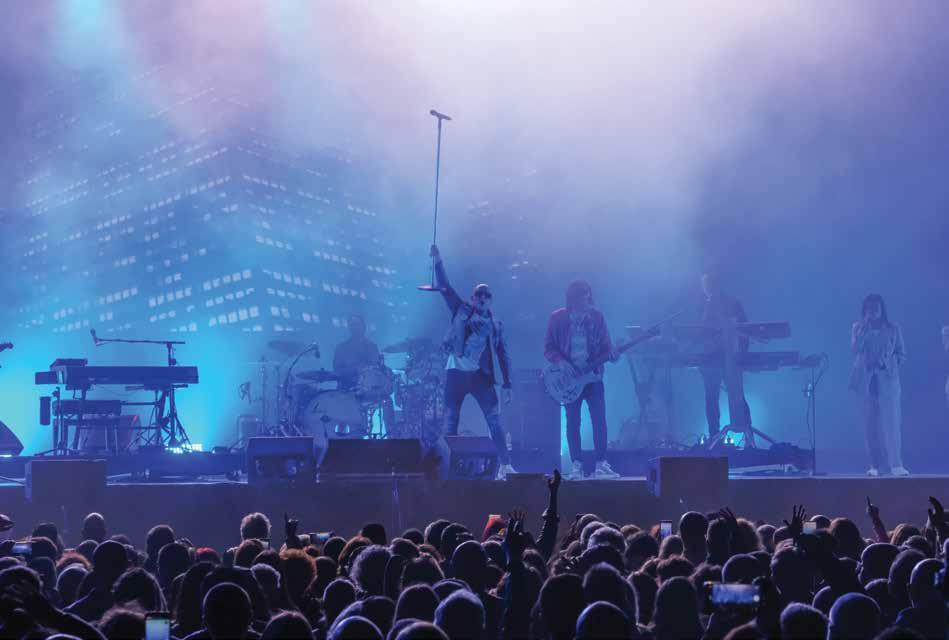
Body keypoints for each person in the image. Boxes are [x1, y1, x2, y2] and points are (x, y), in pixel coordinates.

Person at [429, 244, 515, 480]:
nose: (483, 298)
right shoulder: (461, 310)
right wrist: (438, 261)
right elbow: (445, 288)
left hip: (480, 376)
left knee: (494, 421)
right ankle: (446, 471)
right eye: (479, 294)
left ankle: (505, 465)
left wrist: (508, 383)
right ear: (473, 298)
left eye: (487, 295)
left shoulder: (495, 324)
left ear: (491, 300)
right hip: (456, 373)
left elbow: (502, 354)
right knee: (450, 421)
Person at [543, 279, 621, 479]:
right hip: (569, 380)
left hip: (593, 378)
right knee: (572, 422)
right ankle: (576, 465)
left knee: (599, 421)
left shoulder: (597, 317)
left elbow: (607, 348)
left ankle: (601, 463)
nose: (586, 300)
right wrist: (561, 362)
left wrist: (613, 355)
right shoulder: (558, 318)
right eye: (581, 297)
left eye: (587, 296)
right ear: (572, 299)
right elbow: (548, 348)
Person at [849, 294, 908, 476]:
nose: (872, 311)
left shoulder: (893, 329)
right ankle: (875, 466)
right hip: (866, 381)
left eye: (876, 308)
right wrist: (863, 330)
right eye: (869, 308)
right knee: (870, 425)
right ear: (864, 310)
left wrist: (887, 364)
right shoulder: (858, 328)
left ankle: (896, 465)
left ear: (882, 309)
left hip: (888, 380)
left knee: (892, 422)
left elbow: (901, 354)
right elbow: (855, 349)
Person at [699, 272, 753, 442]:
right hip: (711, 361)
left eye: (709, 284)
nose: (707, 288)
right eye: (705, 285)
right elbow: (699, 333)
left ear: (716, 284)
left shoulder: (733, 304)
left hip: (730, 359)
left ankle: (748, 437)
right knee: (711, 399)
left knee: (737, 397)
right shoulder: (705, 305)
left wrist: (740, 355)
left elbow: (745, 330)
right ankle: (715, 438)